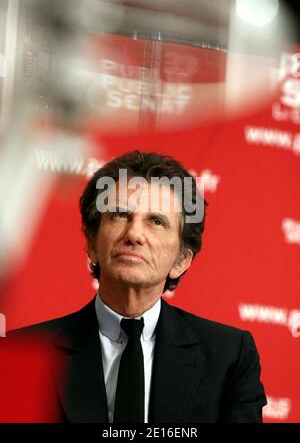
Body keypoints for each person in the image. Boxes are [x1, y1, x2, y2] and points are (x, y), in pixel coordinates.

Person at [6, 150, 267, 423]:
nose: (134, 234)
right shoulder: (23, 356)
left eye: (156, 221)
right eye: (120, 215)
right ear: (92, 244)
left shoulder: (229, 357)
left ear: (180, 260)